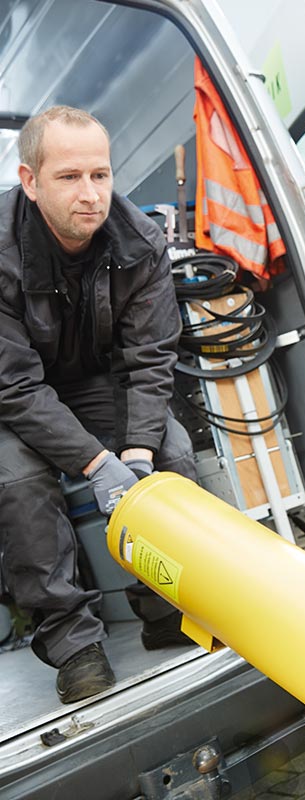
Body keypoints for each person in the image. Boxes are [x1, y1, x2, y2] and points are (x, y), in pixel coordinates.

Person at [0, 106, 196, 704]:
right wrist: (94, 462)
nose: (91, 194)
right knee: (19, 480)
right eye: (69, 177)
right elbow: (13, 385)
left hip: (90, 382)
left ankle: (167, 610)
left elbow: (151, 357)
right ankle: (73, 644)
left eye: (101, 175)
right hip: (12, 393)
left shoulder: (140, 242)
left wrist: (134, 453)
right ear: (30, 181)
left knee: (173, 452)